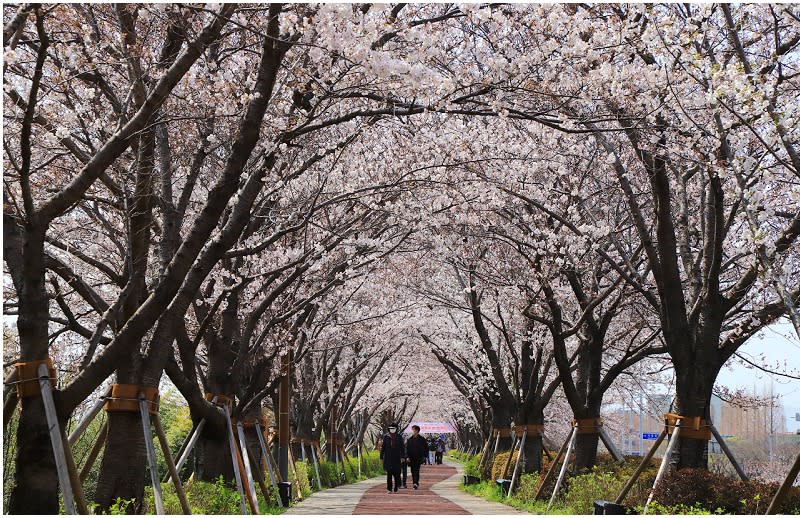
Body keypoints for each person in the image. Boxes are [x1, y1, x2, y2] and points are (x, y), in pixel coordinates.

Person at [379, 422, 405, 493]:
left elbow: (402, 447)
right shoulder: (386, 437)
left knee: (397, 473)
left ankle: (396, 487)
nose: (392, 430)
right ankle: (389, 488)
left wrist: (403, 456)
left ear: (396, 429)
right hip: (388, 458)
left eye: (393, 429)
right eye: (390, 429)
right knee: (389, 474)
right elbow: (383, 447)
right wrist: (381, 456)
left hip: (397, 458)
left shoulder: (399, 437)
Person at [405, 425, 428, 489]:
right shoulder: (410, 439)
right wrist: (407, 456)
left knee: (417, 470)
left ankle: (415, 483)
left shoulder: (422, 439)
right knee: (412, 471)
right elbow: (407, 448)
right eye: (413, 430)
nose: (413, 431)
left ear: (417, 431)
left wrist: (424, 456)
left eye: (414, 430)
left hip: (418, 457)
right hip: (411, 457)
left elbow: (426, 448)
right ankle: (414, 482)